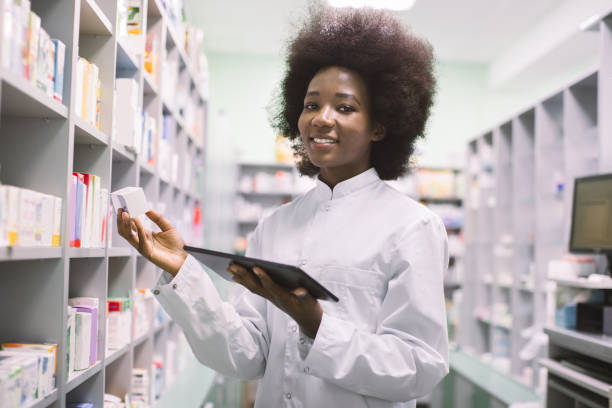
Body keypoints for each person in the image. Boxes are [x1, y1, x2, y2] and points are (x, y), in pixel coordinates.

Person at [117, 4, 449, 407]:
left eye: (344, 107)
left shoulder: (412, 227)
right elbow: (248, 356)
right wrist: (182, 271)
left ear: (379, 125)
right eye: (311, 105)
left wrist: (316, 323)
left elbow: (418, 366)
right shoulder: (275, 224)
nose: (321, 119)